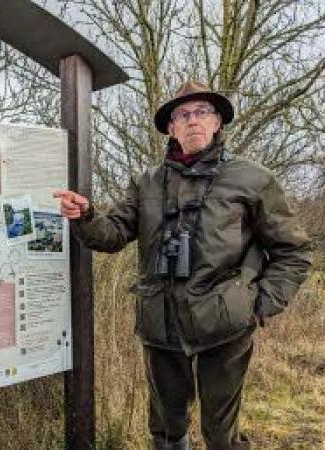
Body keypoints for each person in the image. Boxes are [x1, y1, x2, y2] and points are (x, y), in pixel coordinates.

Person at [54, 81, 312, 450]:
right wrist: (85, 216)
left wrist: (259, 305)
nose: (193, 121)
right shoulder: (147, 182)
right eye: (182, 114)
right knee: (166, 428)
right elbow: (111, 235)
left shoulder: (253, 179)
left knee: (221, 433)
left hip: (225, 326)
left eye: (202, 112)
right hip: (161, 325)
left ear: (218, 121)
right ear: (171, 128)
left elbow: (293, 250)